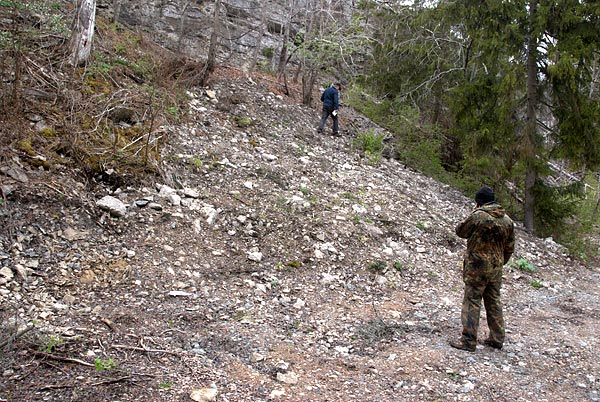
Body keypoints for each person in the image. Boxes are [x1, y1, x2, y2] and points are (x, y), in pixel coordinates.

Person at [450, 186, 515, 352]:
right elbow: (509, 247)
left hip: (477, 267)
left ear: (478, 201)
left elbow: (461, 231)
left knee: (472, 301)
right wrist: (500, 262)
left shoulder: (478, 216)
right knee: (494, 301)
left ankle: (468, 340)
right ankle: (497, 338)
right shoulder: (507, 220)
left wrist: (473, 213)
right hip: (496, 267)